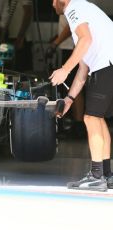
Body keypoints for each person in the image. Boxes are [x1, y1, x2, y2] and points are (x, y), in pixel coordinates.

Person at [50, 0, 113, 192]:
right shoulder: (86, 10)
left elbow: (86, 40)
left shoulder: (74, 8)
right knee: (98, 118)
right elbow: (83, 69)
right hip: (106, 65)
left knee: (91, 117)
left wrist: (63, 69)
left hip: (107, 65)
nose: (53, 5)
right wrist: (69, 99)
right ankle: (106, 174)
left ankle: (96, 176)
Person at [48, 15, 86, 138]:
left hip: (73, 47)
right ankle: (76, 123)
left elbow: (71, 26)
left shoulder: (71, 5)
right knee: (69, 85)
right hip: (68, 46)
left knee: (74, 85)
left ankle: (79, 124)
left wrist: (56, 42)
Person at [7, 0, 34, 72]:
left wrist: (20, 37)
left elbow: (28, 13)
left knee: (22, 70)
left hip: (21, 38)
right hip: (13, 35)